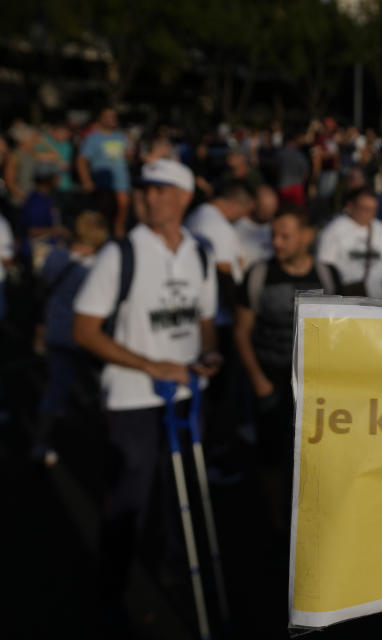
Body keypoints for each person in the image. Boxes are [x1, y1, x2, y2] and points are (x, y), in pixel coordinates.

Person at [72, 158, 220, 631]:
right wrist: (148, 364)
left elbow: (205, 320)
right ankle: (109, 593)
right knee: (128, 498)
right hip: (133, 398)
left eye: (161, 190)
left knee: (181, 490)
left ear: (183, 198)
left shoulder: (199, 252)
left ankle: (177, 564)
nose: (149, 197)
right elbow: (84, 330)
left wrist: (209, 357)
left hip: (184, 392)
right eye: (145, 189)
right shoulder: (121, 253)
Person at [234, 208, 336, 533]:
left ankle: (313, 522)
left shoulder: (328, 275)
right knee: (272, 457)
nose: (276, 243)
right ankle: (276, 525)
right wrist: (258, 381)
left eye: (285, 236)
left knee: (317, 458)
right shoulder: (259, 274)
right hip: (272, 382)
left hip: (317, 385)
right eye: (273, 235)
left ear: (306, 236)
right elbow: (241, 331)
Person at [31, 210, 109, 466]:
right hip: (85, 336)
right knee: (95, 386)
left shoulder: (55, 257)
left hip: (56, 331)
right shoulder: (97, 268)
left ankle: (42, 442)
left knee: (57, 387)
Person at [317, 187, 382, 299]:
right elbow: (324, 264)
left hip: (380, 298)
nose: (370, 214)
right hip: (348, 298)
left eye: (373, 209)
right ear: (350, 206)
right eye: (365, 209)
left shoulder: (379, 227)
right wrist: (332, 295)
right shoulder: (333, 229)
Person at [186, 180, 256, 285]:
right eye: (246, 211)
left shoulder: (194, 215)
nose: (244, 217)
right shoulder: (221, 228)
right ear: (236, 204)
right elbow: (223, 270)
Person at [77, 107, 132, 237]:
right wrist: (86, 180)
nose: (111, 119)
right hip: (102, 183)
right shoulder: (93, 138)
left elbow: (129, 155)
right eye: (107, 116)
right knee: (103, 216)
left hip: (121, 182)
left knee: (122, 212)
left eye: (113, 116)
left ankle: (119, 239)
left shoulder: (121, 136)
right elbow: (81, 160)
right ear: (100, 118)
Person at [236, 184, 279, 270]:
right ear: (254, 204)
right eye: (265, 209)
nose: (271, 215)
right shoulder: (237, 226)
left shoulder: (275, 228)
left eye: (273, 210)